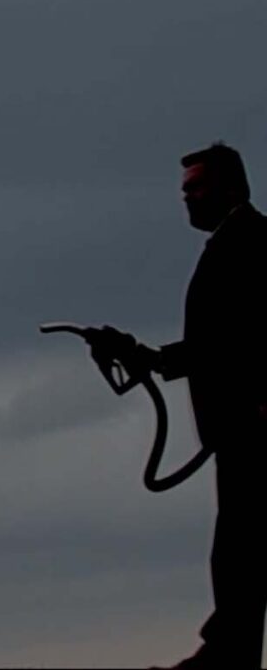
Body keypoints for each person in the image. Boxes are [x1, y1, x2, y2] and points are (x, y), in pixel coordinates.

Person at [103, 143, 267, 668]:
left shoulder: (254, 243)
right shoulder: (231, 244)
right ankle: (228, 654)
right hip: (238, 430)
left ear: (230, 188)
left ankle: (226, 657)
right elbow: (219, 343)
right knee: (241, 547)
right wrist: (146, 357)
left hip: (255, 429)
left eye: (195, 187)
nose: (187, 199)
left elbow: (247, 338)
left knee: (243, 548)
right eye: (185, 190)